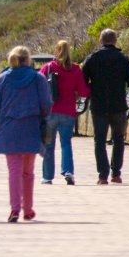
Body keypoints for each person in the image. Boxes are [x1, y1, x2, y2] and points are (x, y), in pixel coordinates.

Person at [0, 46, 53, 222]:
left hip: (8, 127)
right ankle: (28, 209)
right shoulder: (38, 78)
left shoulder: (2, 79)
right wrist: (42, 118)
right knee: (28, 172)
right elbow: (46, 104)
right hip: (31, 126)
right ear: (28, 60)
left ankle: (15, 209)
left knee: (14, 170)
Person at [81, 27, 129, 185]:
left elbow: (82, 81)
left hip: (99, 106)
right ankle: (116, 174)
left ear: (100, 41)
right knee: (118, 139)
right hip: (118, 106)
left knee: (99, 140)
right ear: (115, 41)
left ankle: (102, 176)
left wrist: (89, 91)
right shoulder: (123, 59)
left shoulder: (92, 58)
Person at [40, 39, 87, 185]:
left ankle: (47, 177)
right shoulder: (76, 69)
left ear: (56, 50)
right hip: (68, 112)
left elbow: (39, 87)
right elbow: (83, 92)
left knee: (49, 144)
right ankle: (68, 171)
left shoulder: (48, 68)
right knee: (66, 143)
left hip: (50, 111)